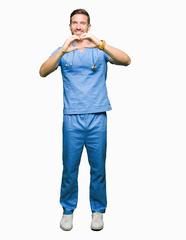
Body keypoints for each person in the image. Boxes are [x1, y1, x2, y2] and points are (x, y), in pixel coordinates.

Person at [39, 9, 131, 231]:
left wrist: (100, 44)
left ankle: (98, 211)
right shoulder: (64, 51)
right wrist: (62, 50)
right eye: (74, 23)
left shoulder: (99, 50)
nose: (78, 27)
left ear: (89, 27)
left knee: (98, 168)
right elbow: (43, 71)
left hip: (97, 116)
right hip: (72, 118)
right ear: (70, 26)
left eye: (82, 23)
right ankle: (68, 210)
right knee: (69, 168)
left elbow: (126, 60)